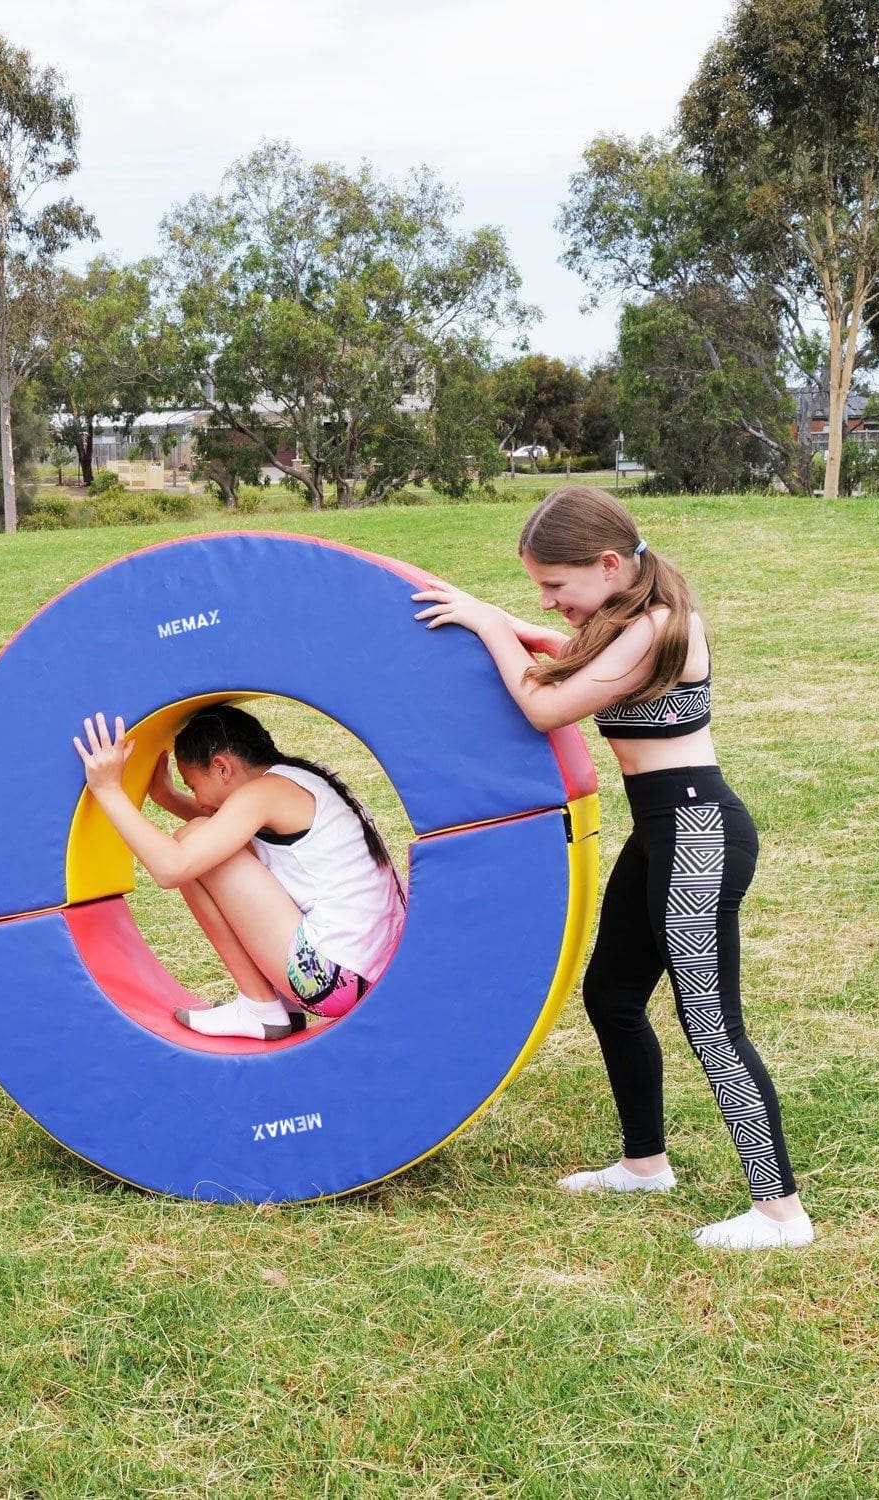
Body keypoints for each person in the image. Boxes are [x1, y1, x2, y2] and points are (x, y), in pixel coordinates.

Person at [412, 486, 813, 1251]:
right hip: (663, 830)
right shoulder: (627, 620)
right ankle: (644, 1164)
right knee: (613, 993)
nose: (549, 601)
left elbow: (543, 705)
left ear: (605, 565)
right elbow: (566, 656)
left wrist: (490, 625)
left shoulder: (663, 625)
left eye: (556, 586)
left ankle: (781, 1213)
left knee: (712, 1023)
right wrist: (505, 624)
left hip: (698, 831)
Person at [72, 705, 406, 1040]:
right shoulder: (294, 782)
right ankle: (268, 1005)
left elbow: (171, 869)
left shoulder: (262, 794)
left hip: (330, 980)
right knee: (203, 837)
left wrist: (107, 789)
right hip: (381, 971)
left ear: (221, 767)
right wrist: (169, 798)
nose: (197, 799)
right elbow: (233, 832)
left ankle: (260, 1008)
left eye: (192, 785)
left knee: (191, 839)